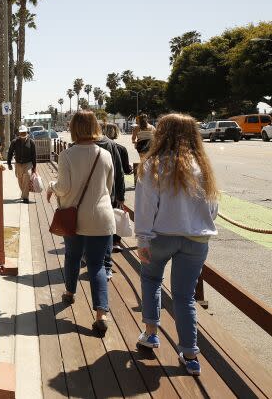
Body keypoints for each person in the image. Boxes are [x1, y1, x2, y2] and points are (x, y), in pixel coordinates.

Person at [133, 113, 218, 376]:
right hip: (196, 239)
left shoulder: (152, 165)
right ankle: (190, 354)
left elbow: (146, 208)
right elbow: (212, 208)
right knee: (185, 297)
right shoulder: (202, 165)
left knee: (151, 280)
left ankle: (150, 333)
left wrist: (142, 238)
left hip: (161, 237)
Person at [45, 111, 115, 333]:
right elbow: (109, 188)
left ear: (74, 128)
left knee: (73, 256)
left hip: (75, 218)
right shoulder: (105, 154)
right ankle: (101, 313)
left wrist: (51, 186)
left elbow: (64, 188)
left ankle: (69, 293)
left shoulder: (67, 155)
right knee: (97, 266)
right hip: (102, 217)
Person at [95, 124, 127, 278]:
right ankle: (106, 266)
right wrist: (120, 196)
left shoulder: (78, 146)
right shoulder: (111, 145)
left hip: (89, 198)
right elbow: (119, 172)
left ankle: (91, 259)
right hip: (109, 195)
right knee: (108, 232)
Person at [105, 123, 133, 254]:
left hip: (104, 187)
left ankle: (105, 241)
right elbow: (125, 170)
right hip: (117, 188)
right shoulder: (121, 149)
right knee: (117, 212)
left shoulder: (100, 147)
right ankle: (115, 241)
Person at [7, 125, 37, 203]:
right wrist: (9, 163)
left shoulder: (31, 142)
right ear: (19, 133)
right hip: (18, 164)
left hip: (28, 163)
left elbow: (34, 155)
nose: (23, 134)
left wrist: (34, 167)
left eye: (24, 132)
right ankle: (24, 193)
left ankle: (25, 197)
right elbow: (10, 152)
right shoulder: (14, 142)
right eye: (21, 133)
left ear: (27, 132)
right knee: (20, 180)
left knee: (26, 178)